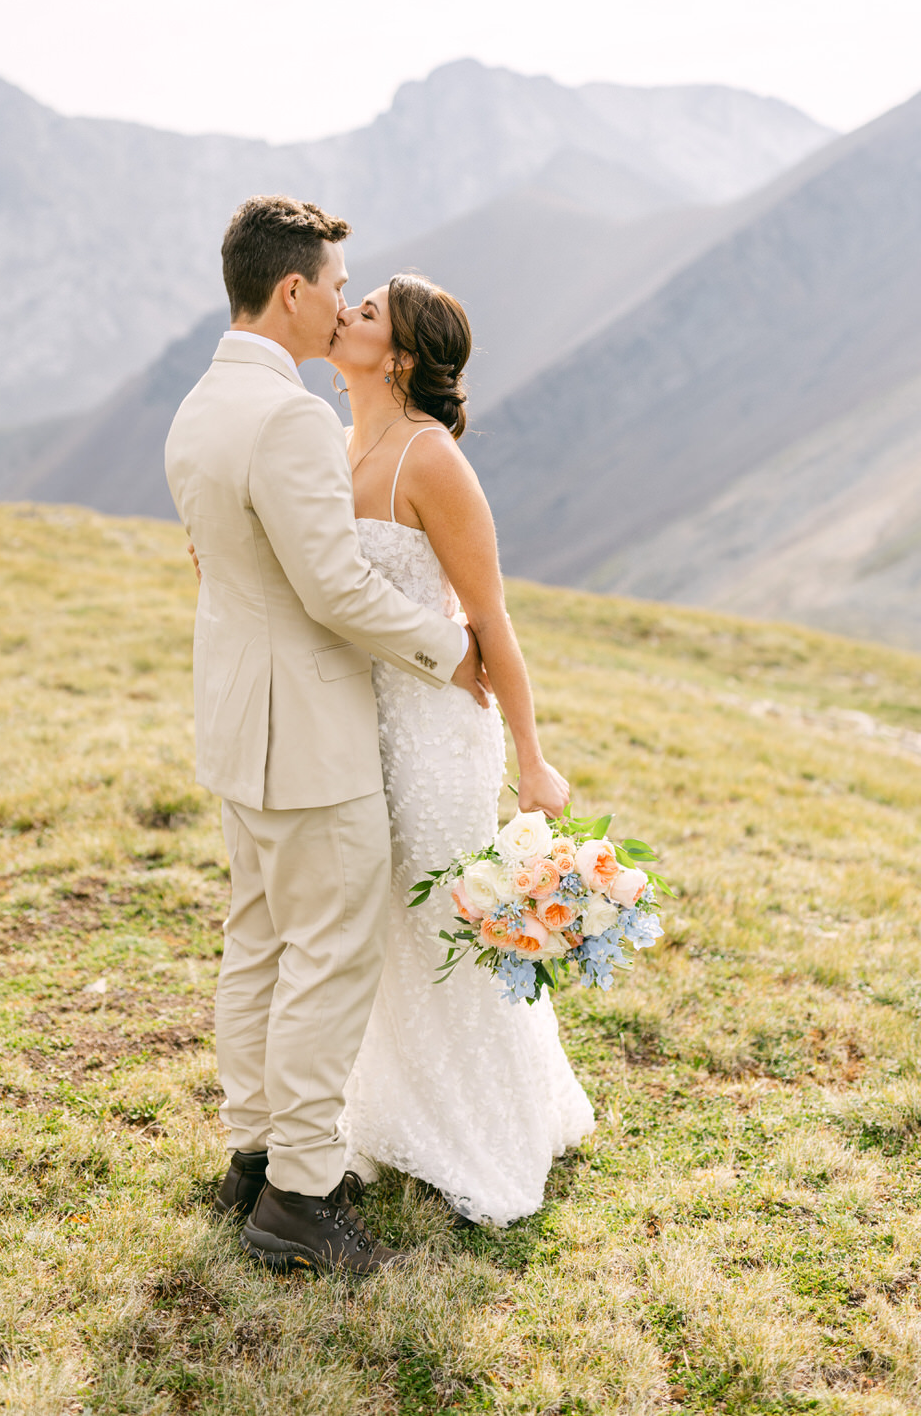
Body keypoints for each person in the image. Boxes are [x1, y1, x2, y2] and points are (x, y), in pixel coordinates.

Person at [165, 196, 494, 1275]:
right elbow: (336, 588)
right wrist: (449, 655)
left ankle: (253, 1155)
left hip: (235, 729)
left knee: (257, 943)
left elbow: (223, 572)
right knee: (330, 956)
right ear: (295, 290)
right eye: (338, 289)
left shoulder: (201, 405)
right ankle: (303, 1198)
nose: (346, 306)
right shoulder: (296, 417)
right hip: (308, 735)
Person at [327, 275, 595, 1224]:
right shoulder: (338, 438)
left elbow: (492, 621)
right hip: (356, 728)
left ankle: (488, 1131)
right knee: (379, 927)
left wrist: (534, 759)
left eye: (365, 314)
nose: (345, 314)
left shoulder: (430, 459)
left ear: (398, 356)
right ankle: (390, 1113)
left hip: (438, 735)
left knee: (441, 921)